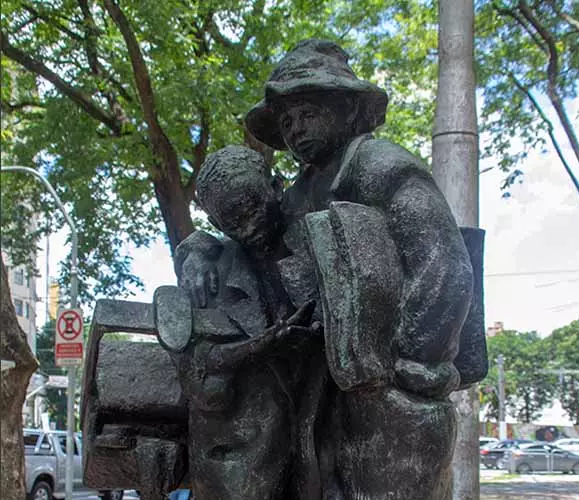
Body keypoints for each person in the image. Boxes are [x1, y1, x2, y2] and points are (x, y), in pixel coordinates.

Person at [245, 39, 475, 499]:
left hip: (391, 399)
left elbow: (444, 269)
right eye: (287, 121)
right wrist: (196, 255)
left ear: (349, 110)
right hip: (319, 393)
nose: (295, 130)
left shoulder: (382, 167)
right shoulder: (296, 195)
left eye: (307, 113)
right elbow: (253, 258)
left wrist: (408, 368)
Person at [163, 145, 321, 500]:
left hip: (317, 442)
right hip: (238, 462)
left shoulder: (316, 246)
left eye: (253, 207)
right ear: (218, 224)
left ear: (277, 188)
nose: (248, 226)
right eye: (232, 220)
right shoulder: (209, 274)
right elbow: (199, 375)